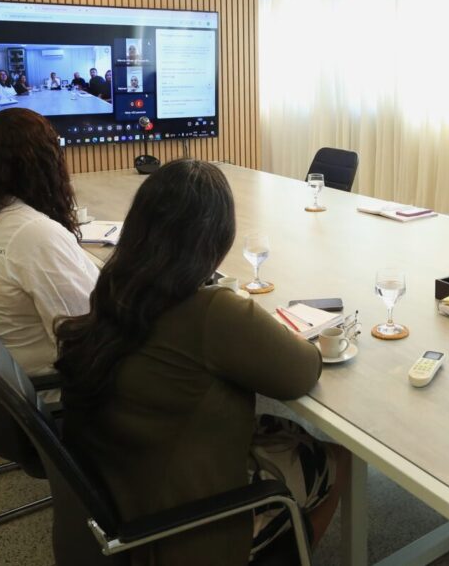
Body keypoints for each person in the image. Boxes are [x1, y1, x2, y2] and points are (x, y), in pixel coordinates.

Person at [54, 159, 348, 563]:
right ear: (218, 239)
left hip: (124, 493)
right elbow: (303, 370)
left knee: (276, 428)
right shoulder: (212, 312)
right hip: (187, 531)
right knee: (339, 459)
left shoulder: (116, 287)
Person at [0, 108, 98, 377]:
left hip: (12, 378)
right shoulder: (36, 235)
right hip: (61, 385)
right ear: (47, 163)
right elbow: (91, 335)